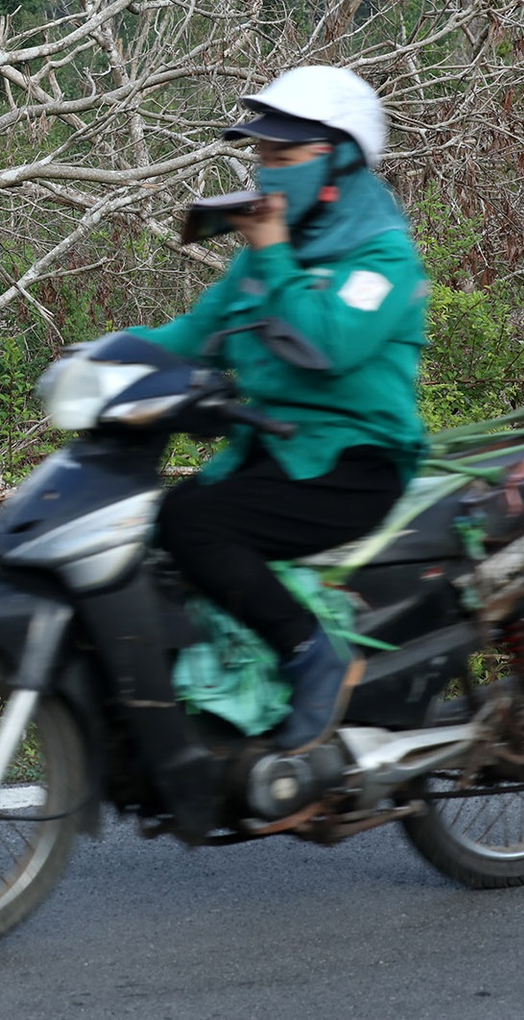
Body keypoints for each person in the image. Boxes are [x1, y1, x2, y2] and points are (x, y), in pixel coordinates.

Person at [132, 66, 428, 752]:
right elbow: (193, 338)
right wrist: (104, 356)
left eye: (283, 157)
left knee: (191, 520)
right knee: (146, 540)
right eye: (259, 156)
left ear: (341, 161)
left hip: (355, 465)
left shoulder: (384, 260)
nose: (265, 175)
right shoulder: (267, 257)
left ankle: (312, 657)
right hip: (273, 454)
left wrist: (271, 253)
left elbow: (324, 343)